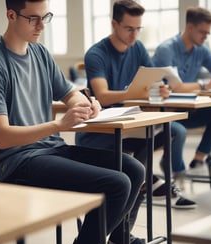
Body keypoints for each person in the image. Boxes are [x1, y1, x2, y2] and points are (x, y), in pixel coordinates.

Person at [0, 1, 145, 244]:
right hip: (17, 162)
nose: (42, 26)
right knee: (117, 183)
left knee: (134, 169)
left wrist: (86, 104)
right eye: (33, 19)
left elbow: (69, 93)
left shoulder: (39, 53)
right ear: (11, 15)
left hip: (50, 149)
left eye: (46, 17)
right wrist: (59, 124)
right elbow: (2, 137)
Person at [75, 0, 195, 210]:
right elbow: (102, 96)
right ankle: (148, 184)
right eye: (129, 29)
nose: (134, 35)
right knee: (150, 135)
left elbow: (152, 81)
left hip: (131, 123)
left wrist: (160, 89)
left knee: (173, 130)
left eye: (138, 29)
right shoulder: (96, 54)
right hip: (101, 130)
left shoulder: (137, 47)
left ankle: (145, 182)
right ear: (114, 24)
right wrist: (132, 93)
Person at [152, 6, 211, 171]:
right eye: (202, 32)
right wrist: (205, 85)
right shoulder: (166, 50)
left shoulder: (201, 50)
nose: (206, 36)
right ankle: (177, 171)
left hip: (188, 108)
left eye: (208, 33)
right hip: (165, 112)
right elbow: (175, 88)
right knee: (178, 131)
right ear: (189, 27)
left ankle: (199, 157)